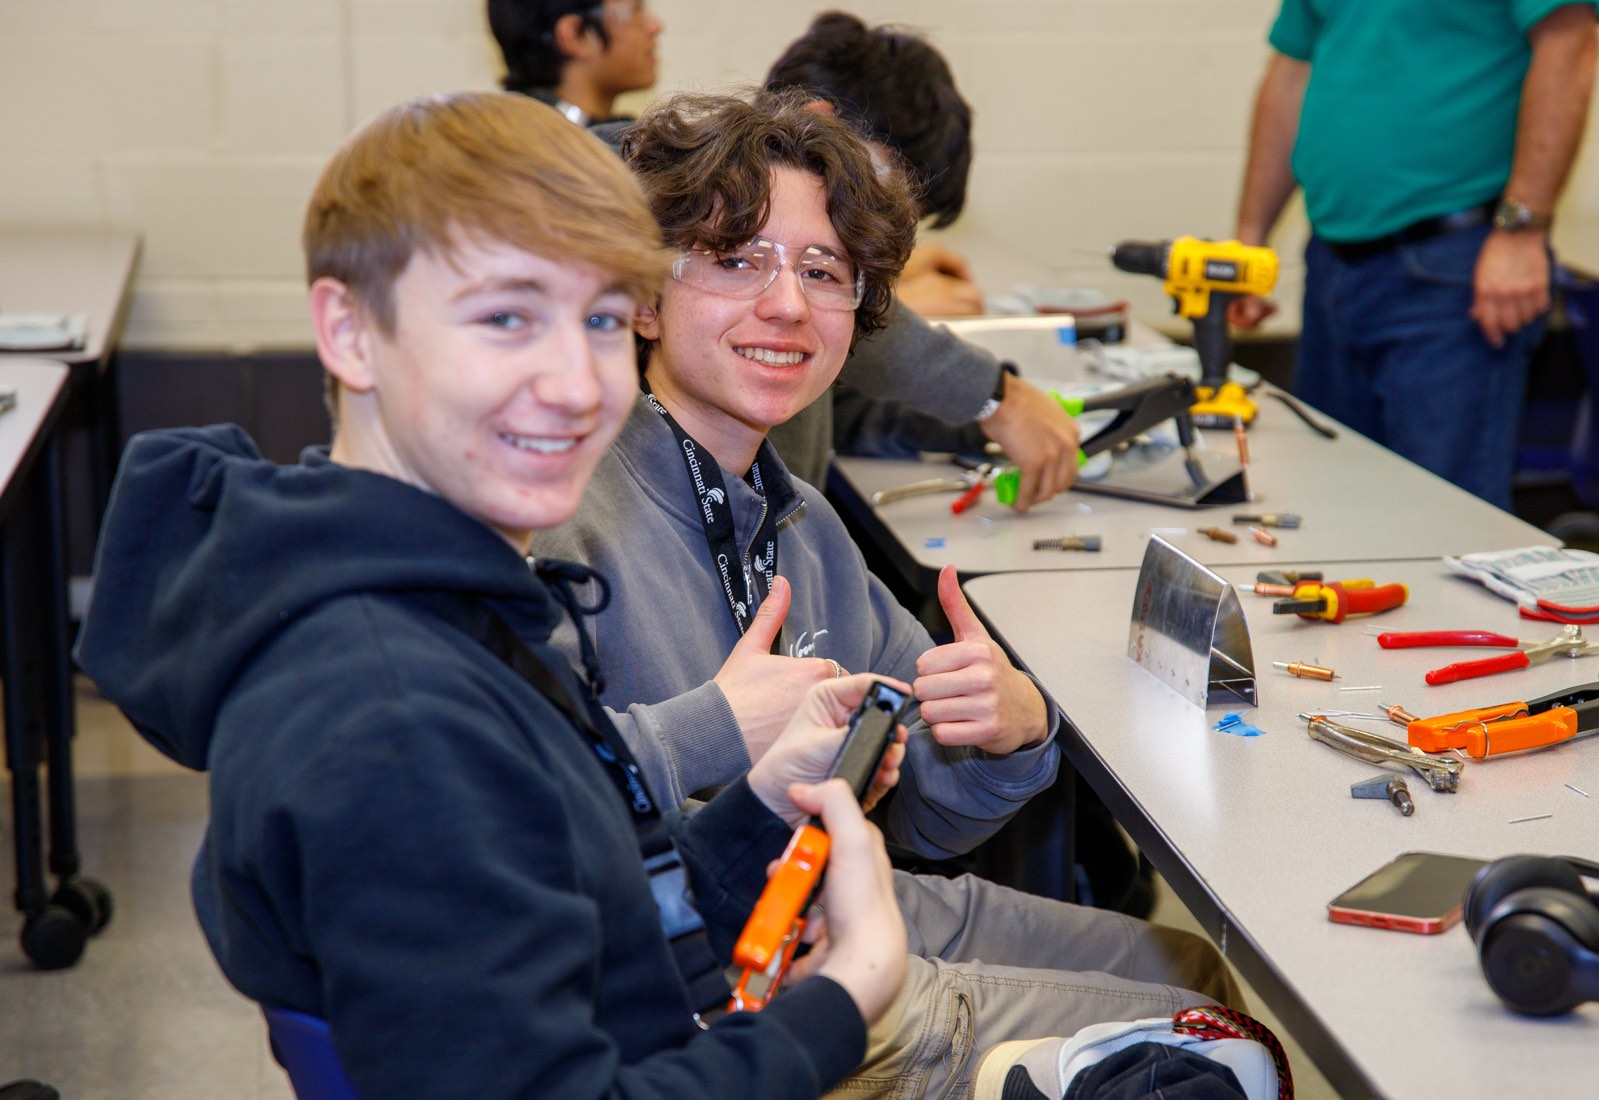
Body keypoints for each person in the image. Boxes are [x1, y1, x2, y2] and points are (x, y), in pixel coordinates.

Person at [72, 91, 915, 1097]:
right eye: (506, 316)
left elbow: (591, 909)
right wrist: (846, 997)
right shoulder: (393, 716)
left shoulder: (449, 602)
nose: (575, 382)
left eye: (603, 318)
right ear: (348, 332)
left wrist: (754, 810)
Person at [534, 89, 1244, 1099]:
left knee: (1197, 974)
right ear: (644, 296)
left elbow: (925, 816)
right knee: (1207, 1040)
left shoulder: (805, 529)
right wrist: (716, 729)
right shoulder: (564, 518)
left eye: (822, 272)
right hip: (693, 982)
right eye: (737, 259)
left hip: (849, 893)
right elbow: (517, 824)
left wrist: (1006, 726)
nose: (786, 304)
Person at [1230, 0, 1598, 509]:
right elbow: (1292, 71)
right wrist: (1250, 239)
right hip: (1333, 264)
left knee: (1449, 522)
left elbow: (1571, 44)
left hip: (1450, 268)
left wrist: (1522, 230)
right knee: (1330, 508)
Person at [487, 0, 662, 124]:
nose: (655, 26)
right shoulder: (547, 158)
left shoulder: (504, 137)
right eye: (637, 9)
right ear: (577, 36)